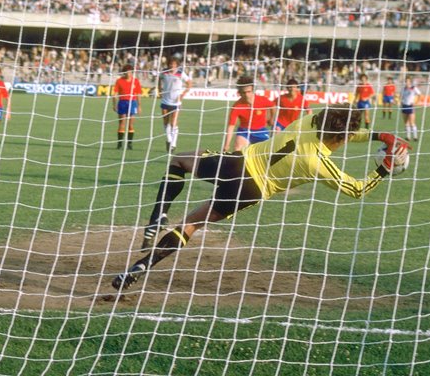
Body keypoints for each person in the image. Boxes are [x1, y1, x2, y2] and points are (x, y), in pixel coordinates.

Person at [113, 105, 410, 291]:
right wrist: (383, 168)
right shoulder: (320, 163)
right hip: (250, 192)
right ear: (341, 138)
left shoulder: (309, 120)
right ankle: (139, 268)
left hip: (237, 164)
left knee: (179, 161)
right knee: (193, 224)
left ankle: (156, 218)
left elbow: (344, 129)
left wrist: (378, 135)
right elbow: (357, 189)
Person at [222, 75, 275, 152]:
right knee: (238, 150)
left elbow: (273, 106)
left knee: (266, 153)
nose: (246, 95)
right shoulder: (237, 106)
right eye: (244, 92)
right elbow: (231, 127)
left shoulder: (262, 100)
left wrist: (271, 118)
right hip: (244, 132)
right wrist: (226, 145)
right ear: (239, 92)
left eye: (249, 91)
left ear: (253, 90)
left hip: (261, 131)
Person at [158, 56, 192, 153]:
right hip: (165, 100)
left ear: (176, 65)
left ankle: (173, 144)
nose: (172, 65)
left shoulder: (180, 73)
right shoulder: (164, 72)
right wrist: (159, 90)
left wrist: (183, 94)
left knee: (173, 123)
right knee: (165, 121)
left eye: (174, 64)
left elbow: (189, 83)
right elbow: (159, 80)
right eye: (170, 64)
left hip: (176, 102)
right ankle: (168, 139)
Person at [113, 64, 142, 150]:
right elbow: (115, 94)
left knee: (131, 124)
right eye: (126, 72)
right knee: (122, 123)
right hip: (122, 102)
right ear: (124, 73)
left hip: (132, 103)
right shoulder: (119, 81)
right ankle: (119, 143)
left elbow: (138, 94)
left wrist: (139, 105)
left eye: (130, 72)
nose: (128, 73)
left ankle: (129, 143)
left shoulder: (136, 81)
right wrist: (114, 104)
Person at [400, 77, 422, 141]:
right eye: (406, 81)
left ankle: (415, 137)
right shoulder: (403, 89)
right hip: (404, 106)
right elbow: (401, 96)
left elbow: (420, 95)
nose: (407, 82)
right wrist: (400, 101)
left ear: (410, 82)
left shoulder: (413, 88)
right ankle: (408, 137)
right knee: (406, 122)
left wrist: (416, 102)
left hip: (410, 106)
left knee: (412, 122)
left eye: (408, 81)